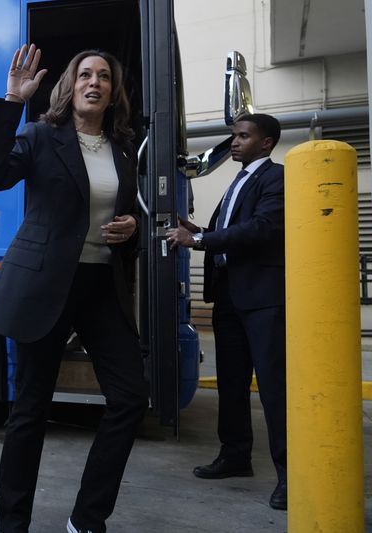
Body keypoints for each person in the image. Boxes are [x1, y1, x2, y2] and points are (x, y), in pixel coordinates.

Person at [0, 44, 148, 533]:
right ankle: (13, 524)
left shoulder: (121, 146)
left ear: (113, 92)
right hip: (44, 283)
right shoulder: (40, 135)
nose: (95, 83)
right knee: (30, 410)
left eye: (104, 77)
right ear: (70, 87)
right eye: (85, 75)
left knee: (130, 398)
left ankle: (87, 517)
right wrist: (12, 101)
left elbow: (124, 210)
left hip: (100, 284)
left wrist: (131, 226)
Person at [165, 113, 286, 510]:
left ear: (265, 143)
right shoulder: (238, 181)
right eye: (233, 136)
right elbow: (230, 229)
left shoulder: (276, 178)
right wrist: (196, 227)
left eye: (243, 136)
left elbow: (263, 228)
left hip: (264, 299)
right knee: (233, 384)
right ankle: (235, 457)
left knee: (273, 389)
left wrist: (198, 238)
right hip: (229, 298)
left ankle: (290, 475)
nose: (233, 142)